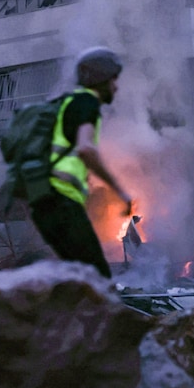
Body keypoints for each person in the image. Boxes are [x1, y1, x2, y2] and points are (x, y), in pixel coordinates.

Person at [29, 46, 133, 278]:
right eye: (113, 80)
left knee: (80, 281)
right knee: (99, 280)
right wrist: (119, 191)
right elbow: (86, 149)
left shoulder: (67, 103)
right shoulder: (87, 103)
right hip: (61, 204)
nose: (116, 86)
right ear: (101, 78)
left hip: (44, 208)